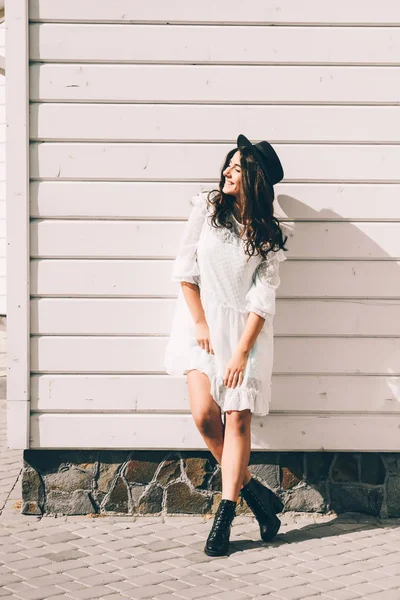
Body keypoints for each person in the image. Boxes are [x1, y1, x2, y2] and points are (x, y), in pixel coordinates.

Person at [164, 134, 288, 556]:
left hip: (245, 336)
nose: (226, 172)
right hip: (201, 324)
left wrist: (240, 352)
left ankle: (226, 515)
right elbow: (185, 268)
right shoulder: (207, 208)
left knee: (236, 421)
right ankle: (259, 497)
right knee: (204, 416)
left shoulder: (270, 233)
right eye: (228, 165)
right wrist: (200, 323)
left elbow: (262, 300)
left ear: (254, 177)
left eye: (236, 168)